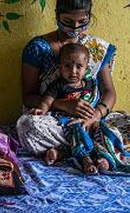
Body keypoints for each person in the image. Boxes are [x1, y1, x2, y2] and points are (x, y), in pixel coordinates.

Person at [16, 0, 130, 174]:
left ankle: (68, 150)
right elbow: (28, 96)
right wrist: (63, 104)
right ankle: (100, 148)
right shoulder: (38, 48)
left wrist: (95, 116)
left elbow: (109, 92)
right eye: (68, 21)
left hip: (96, 122)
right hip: (58, 121)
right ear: (56, 16)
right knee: (27, 126)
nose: (75, 28)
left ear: (89, 16)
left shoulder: (97, 49)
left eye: (82, 22)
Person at [32, 43, 108, 174]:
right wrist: (42, 110)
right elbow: (47, 100)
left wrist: (94, 117)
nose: (73, 71)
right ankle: (86, 159)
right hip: (68, 123)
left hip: (92, 121)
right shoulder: (58, 85)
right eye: (67, 66)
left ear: (86, 69)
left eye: (79, 66)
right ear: (59, 67)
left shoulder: (91, 85)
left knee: (105, 131)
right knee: (76, 130)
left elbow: (101, 99)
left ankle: (104, 158)